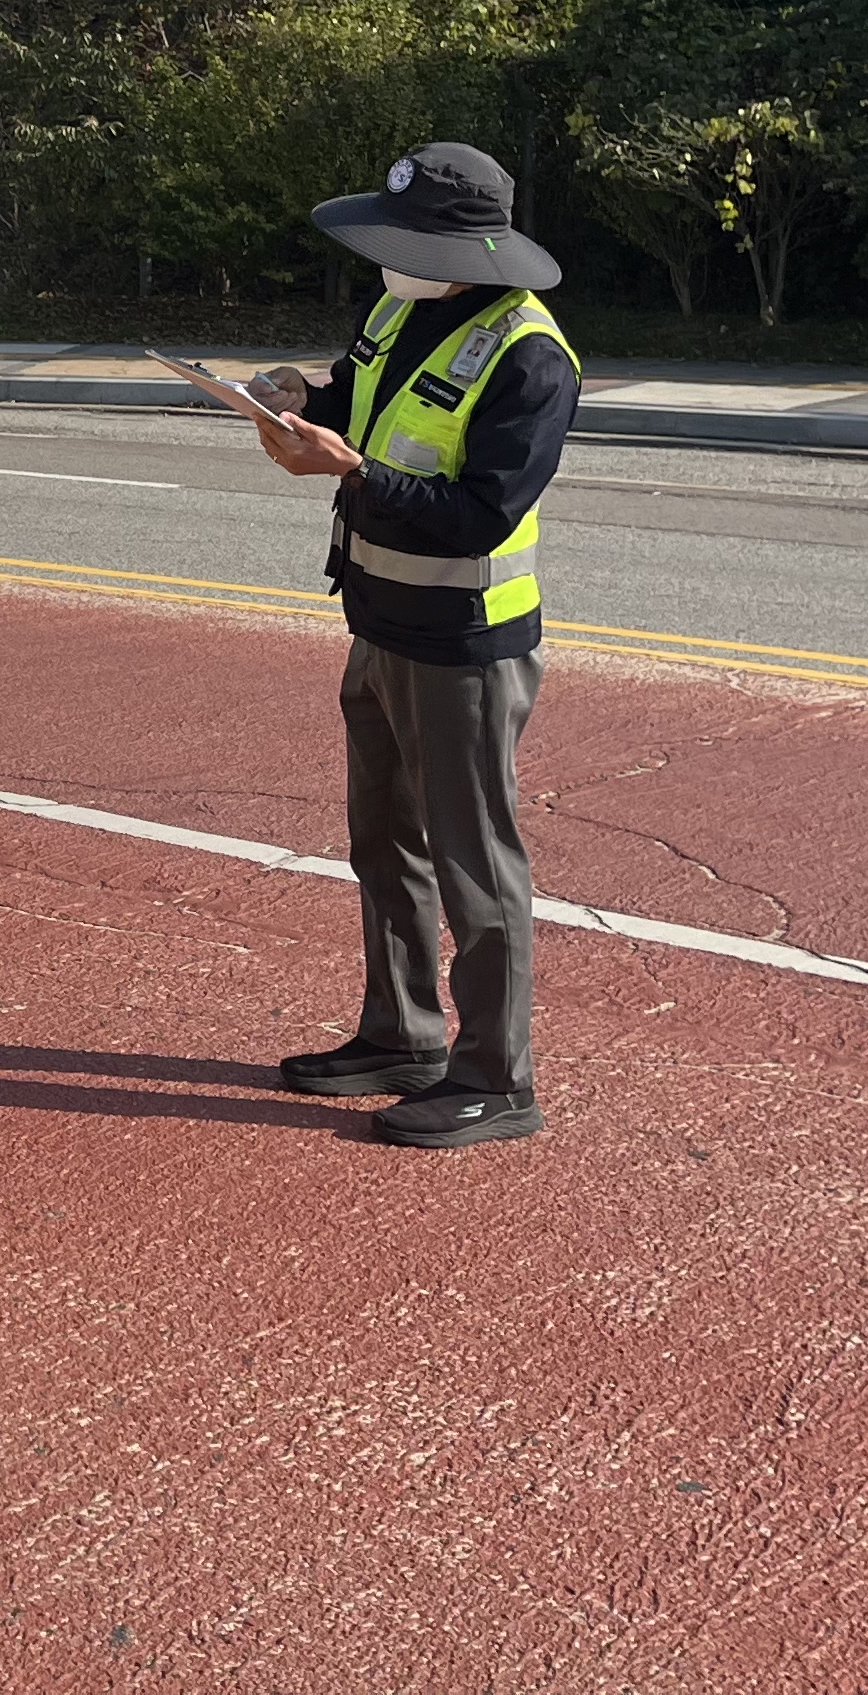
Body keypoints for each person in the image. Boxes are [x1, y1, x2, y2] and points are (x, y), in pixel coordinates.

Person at [246, 142, 579, 1148]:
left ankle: (495, 1076)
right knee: (382, 844)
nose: (386, 262)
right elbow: (360, 404)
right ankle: (401, 1034)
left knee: (475, 865)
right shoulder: (399, 310)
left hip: (463, 647)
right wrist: (298, 399)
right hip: (379, 623)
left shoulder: (528, 355)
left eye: (406, 243)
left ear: (464, 245)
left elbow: (478, 512)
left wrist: (350, 478)